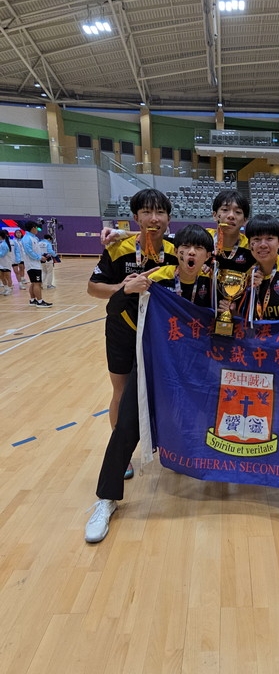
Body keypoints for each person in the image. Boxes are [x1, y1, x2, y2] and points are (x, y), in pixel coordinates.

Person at [84, 224, 215, 543]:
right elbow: (114, 308)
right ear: (176, 251)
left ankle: (219, 476)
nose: (191, 252)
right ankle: (106, 499)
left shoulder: (215, 285)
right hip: (153, 365)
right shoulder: (157, 279)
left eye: (198, 248)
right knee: (126, 427)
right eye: (185, 247)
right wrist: (126, 289)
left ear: (208, 256)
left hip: (196, 371)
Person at [87, 189, 176, 447]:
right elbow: (93, 288)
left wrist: (119, 231)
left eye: (160, 212)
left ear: (169, 218)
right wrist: (122, 287)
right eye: (146, 212)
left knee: (163, 389)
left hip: (161, 333)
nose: (154, 218)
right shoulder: (118, 250)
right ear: (136, 218)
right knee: (122, 391)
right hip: (122, 330)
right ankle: (120, 454)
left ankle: (165, 444)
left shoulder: (178, 250)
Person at [22, 221, 52, 307]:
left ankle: (33, 300)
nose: (37, 230)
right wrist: (39, 257)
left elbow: (35, 250)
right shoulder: (27, 238)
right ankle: (40, 301)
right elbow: (29, 252)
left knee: (34, 282)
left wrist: (43, 255)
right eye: (36, 228)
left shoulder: (34, 238)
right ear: (33, 228)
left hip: (35, 264)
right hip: (32, 265)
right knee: (37, 283)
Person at [0, 230, 14, 296]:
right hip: (1, 263)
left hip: (6, 263)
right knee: (1, 276)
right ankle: (5, 288)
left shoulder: (4, 244)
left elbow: (2, 254)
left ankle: (9, 289)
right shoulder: (2, 243)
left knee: (8, 276)